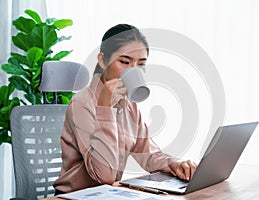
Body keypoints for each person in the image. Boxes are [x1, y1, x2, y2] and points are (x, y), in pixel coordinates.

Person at [53, 24, 197, 194]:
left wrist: (175, 164)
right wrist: (105, 108)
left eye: (141, 64)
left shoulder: (129, 104)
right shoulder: (82, 104)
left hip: (108, 194)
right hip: (73, 196)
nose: (134, 70)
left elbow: (147, 154)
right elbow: (105, 175)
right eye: (124, 62)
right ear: (102, 60)